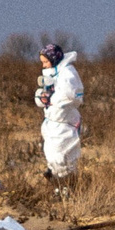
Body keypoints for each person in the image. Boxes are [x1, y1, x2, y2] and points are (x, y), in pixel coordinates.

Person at [36, 43, 83, 184]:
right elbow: (46, 94)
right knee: (51, 153)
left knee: (63, 155)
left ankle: (67, 185)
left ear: (54, 59)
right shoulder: (52, 73)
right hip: (51, 122)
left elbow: (70, 96)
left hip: (65, 122)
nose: (44, 65)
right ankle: (57, 183)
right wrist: (41, 97)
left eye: (45, 62)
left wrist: (51, 98)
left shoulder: (68, 73)